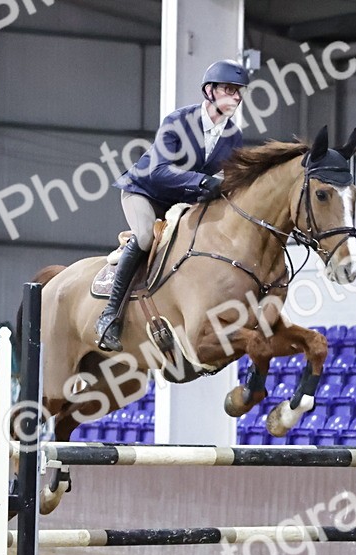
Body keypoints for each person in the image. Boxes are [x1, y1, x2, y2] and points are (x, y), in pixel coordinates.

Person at [95, 58, 250, 352]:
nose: (236, 97)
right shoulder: (178, 122)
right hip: (145, 193)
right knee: (145, 237)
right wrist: (202, 182)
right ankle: (109, 316)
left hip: (181, 204)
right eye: (229, 89)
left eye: (239, 91)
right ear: (210, 91)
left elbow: (230, 177)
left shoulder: (234, 136)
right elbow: (158, 171)